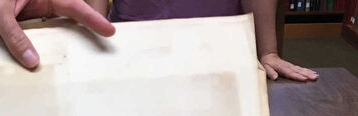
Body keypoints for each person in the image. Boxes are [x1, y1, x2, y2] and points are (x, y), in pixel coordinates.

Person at [86, 0, 319, 82]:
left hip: (219, 49)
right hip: (133, 49)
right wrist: (91, 49)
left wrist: (267, 52)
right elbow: (93, 10)